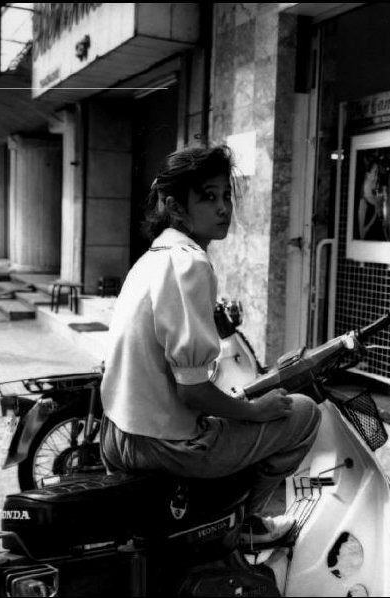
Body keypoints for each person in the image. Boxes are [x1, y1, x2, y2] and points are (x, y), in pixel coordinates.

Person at [99, 145, 321, 546]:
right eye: (208, 196)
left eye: (225, 197)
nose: (223, 209)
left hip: (117, 432)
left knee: (242, 411)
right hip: (162, 445)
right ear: (175, 206)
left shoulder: (152, 257)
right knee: (303, 413)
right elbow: (192, 391)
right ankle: (246, 524)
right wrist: (255, 410)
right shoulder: (189, 263)